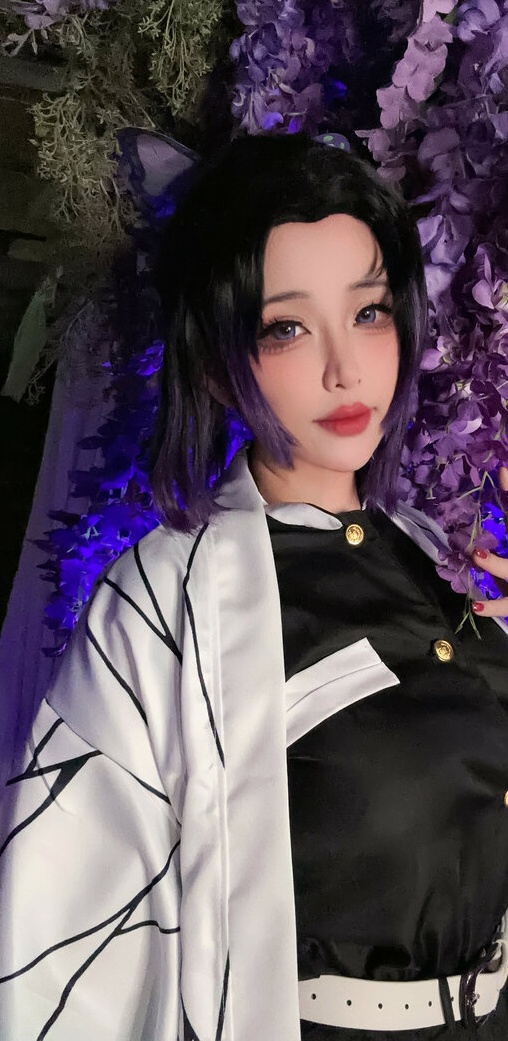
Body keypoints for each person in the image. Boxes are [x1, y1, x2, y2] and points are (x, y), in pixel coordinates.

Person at [1, 133, 508, 1041]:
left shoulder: (444, 561)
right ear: (214, 362)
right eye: (286, 327)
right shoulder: (159, 607)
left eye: (368, 312)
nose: (346, 368)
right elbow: (61, 947)